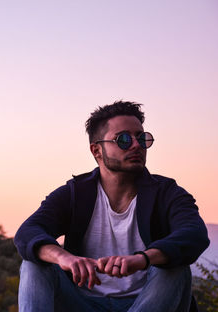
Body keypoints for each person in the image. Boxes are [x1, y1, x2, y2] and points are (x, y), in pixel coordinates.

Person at [14, 101, 209, 312]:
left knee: (174, 267)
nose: (136, 145)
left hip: (146, 302)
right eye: (123, 139)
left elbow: (194, 234)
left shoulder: (166, 192)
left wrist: (142, 259)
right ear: (97, 150)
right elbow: (27, 232)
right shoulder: (75, 193)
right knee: (33, 264)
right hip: (81, 303)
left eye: (142, 138)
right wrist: (65, 258)